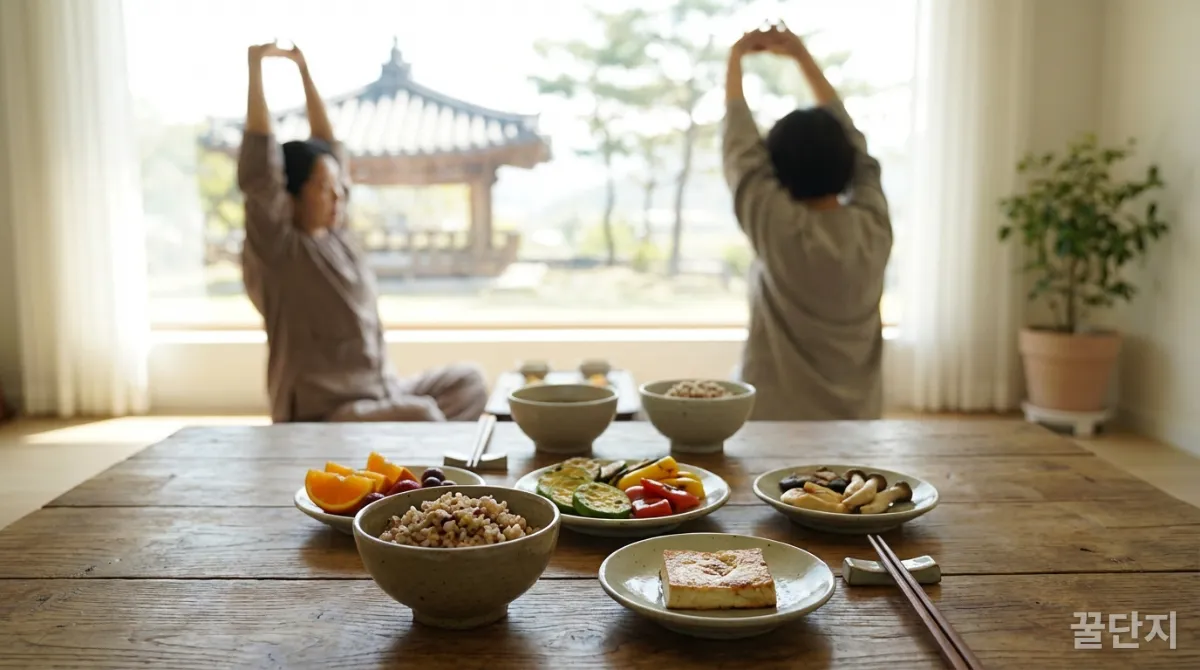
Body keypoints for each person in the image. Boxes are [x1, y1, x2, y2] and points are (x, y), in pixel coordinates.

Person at [237, 42, 488, 423]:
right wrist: (256, 67)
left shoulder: (337, 235)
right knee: (422, 417)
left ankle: (409, 452)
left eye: (339, 187)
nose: (339, 196)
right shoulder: (279, 249)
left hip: (382, 391)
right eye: (325, 188)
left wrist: (304, 71)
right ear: (289, 195)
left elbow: (330, 148)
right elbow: (261, 172)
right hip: (326, 413)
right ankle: (418, 453)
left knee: (469, 382)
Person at [723, 26, 893, 421]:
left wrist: (735, 59)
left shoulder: (776, 226)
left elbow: (741, 150)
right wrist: (802, 58)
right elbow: (859, 152)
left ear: (777, 169)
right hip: (859, 427)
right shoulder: (874, 228)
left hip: (773, 425)